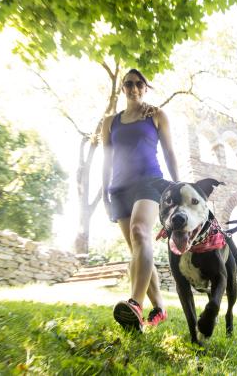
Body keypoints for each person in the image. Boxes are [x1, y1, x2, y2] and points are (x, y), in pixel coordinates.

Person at [101, 68, 179, 331]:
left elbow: (169, 151)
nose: (134, 88)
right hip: (119, 188)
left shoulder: (156, 115)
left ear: (145, 88)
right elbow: (106, 160)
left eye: (139, 84)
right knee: (137, 248)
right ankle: (159, 308)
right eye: (129, 84)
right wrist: (103, 190)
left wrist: (178, 187)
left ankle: (135, 303)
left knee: (140, 231)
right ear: (122, 88)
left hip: (149, 181)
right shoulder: (110, 123)